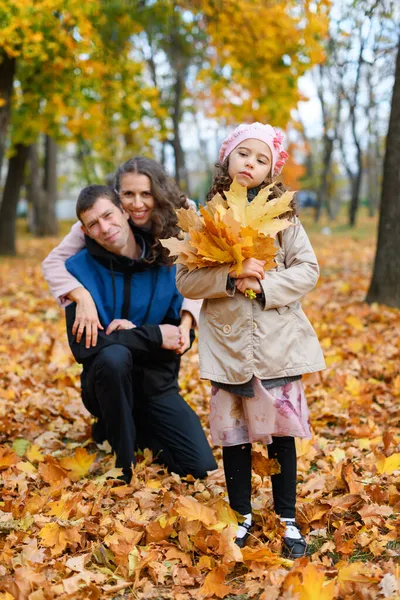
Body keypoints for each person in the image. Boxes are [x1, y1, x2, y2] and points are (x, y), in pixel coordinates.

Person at [175, 122, 326, 558]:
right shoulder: (206, 219)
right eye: (244, 154)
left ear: (271, 170)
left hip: (277, 345)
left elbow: (308, 269)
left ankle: (288, 518)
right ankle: (241, 514)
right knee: (235, 435)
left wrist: (265, 286)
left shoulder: (284, 218)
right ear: (228, 158)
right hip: (228, 347)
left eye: (262, 159)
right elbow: (186, 278)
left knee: (281, 435)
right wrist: (229, 277)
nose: (251, 163)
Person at [55, 184, 217, 483]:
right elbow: (85, 349)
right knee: (113, 357)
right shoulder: (77, 272)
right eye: (93, 224)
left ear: (124, 212)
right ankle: (123, 460)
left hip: (157, 385)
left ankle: (131, 428)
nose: (104, 227)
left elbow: (179, 337)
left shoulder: (166, 259)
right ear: (86, 232)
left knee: (199, 467)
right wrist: (152, 336)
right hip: (106, 385)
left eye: (108, 215)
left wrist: (145, 334)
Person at [42, 157, 201, 351]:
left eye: (146, 194)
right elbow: (53, 262)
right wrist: (82, 296)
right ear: (117, 196)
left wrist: (185, 325)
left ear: (159, 194)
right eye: (128, 194)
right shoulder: (102, 223)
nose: (137, 204)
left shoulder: (182, 215)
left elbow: (198, 269)